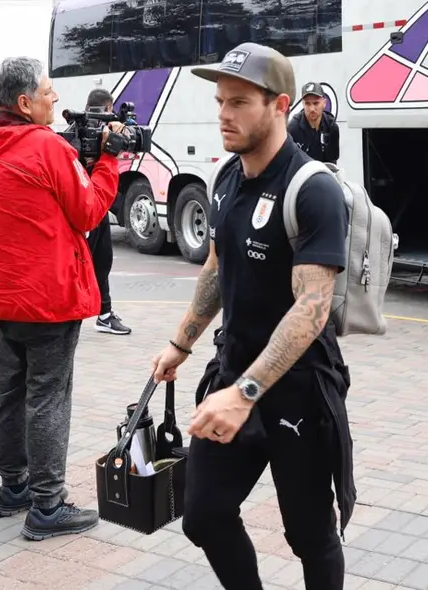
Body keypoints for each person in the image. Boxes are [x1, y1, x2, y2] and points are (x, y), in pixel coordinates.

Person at [151, 43, 355, 590]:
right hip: (232, 371)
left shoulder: (313, 190)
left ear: (278, 105)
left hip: (298, 390)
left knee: (310, 537)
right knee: (204, 516)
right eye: (220, 101)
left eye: (239, 102)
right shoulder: (224, 179)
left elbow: (311, 310)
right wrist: (182, 343)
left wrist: (245, 394)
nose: (223, 114)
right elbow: (218, 268)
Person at [0, 56, 126, 540]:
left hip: (3, 293)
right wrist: (110, 160)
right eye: (49, 91)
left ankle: (13, 487)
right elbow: (90, 210)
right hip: (48, 296)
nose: (56, 98)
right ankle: (48, 505)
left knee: (12, 391)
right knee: (48, 397)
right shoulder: (43, 147)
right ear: (25, 102)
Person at [82, 88, 131, 335]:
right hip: (83, 206)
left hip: (98, 205)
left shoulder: (104, 130)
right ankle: (71, 316)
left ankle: (104, 314)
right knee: (81, 263)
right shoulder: (78, 131)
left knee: (103, 260)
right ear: (109, 108)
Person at [288, 81, 339, 163]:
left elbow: (332, 164)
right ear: (303, 104)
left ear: (324, 103)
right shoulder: (293, 128)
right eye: (307, 104)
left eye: (316, 103)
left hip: (324, 172)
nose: (312, 109)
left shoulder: (331, 127)